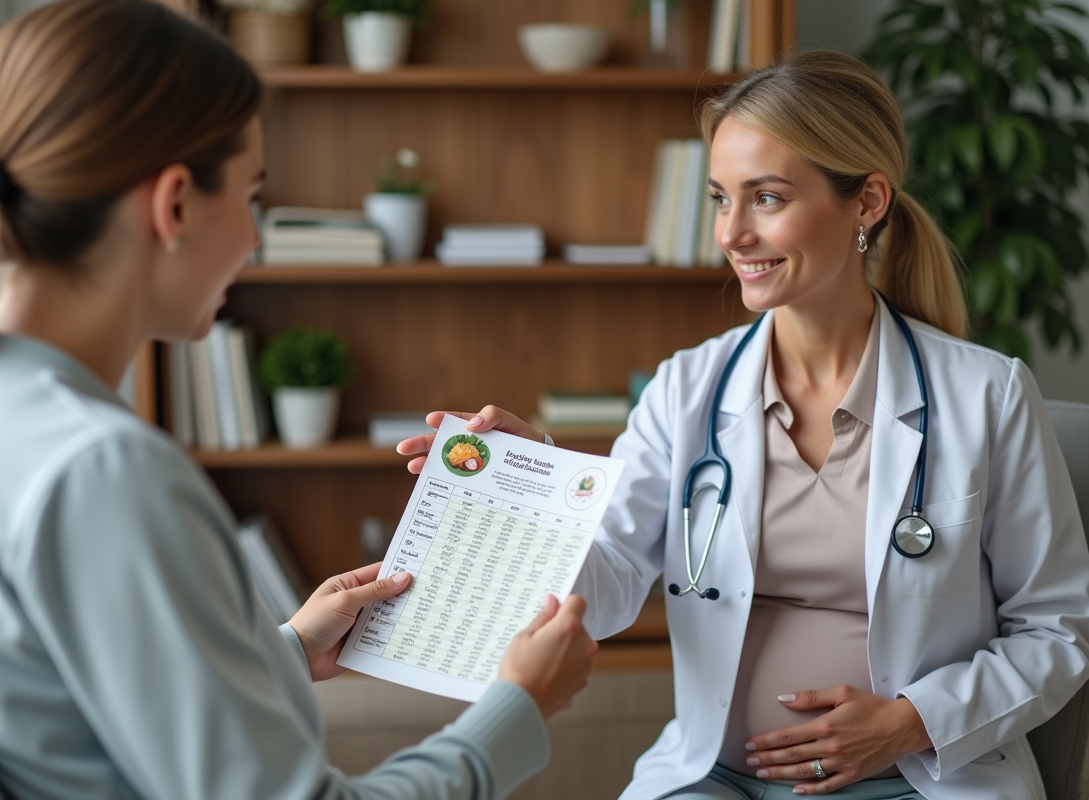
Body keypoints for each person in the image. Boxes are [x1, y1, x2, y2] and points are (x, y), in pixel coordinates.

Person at [0, 2, 598, 799]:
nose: (255, 239)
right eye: (252, 197)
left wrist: (286, 650)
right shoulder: (105, 470)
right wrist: (518, 708)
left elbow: (60, 707)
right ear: (176, 205)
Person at [398, 51, 1089, 800]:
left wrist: (909, 722)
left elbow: (1058, 629)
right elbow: (609, 583)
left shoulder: (987, 395)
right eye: (721, 199)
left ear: (867, 202)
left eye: (766, 198)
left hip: (916, 778)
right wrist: (537, 493)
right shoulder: (686, 389)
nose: (731, 233)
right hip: (714, 780)